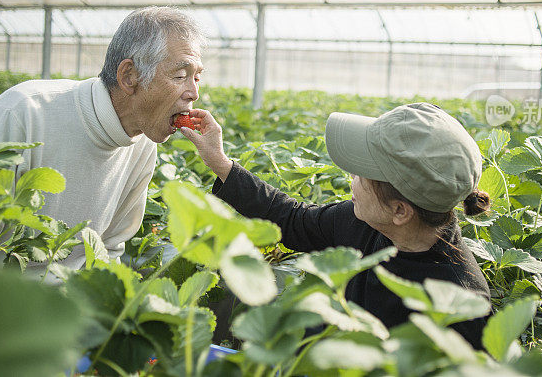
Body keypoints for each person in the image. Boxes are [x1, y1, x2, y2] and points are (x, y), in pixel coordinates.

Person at [181, 102, 491, 348]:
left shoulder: (462, 304)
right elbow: (292, 219)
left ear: (400, 210)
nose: (350, 178)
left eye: (361, 173)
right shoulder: (363, 223)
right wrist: (218, 161)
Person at [0, 6, 205, 276]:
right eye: (180, 76)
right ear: (129, 76)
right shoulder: (24, 112)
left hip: (73, 304)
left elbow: (110, 249)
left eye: (197, 77)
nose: (194, 93)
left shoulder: (144, 142)